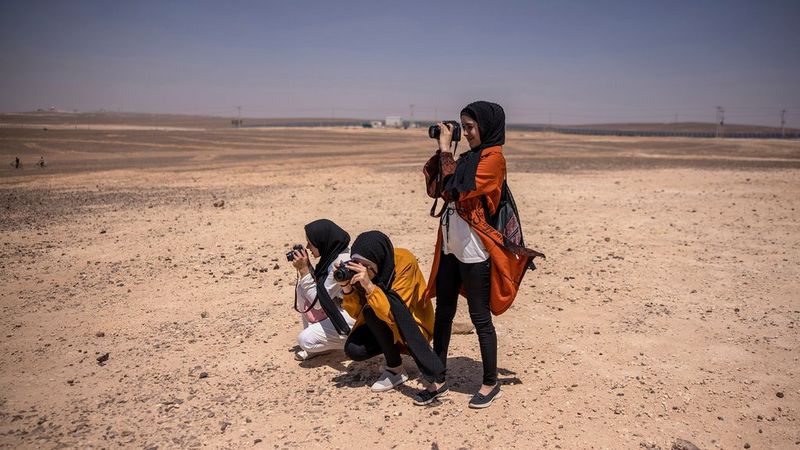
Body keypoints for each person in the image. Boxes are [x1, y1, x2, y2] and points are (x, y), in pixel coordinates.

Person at [424, 101, 534, 409]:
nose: (468, 133)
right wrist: (444, 150)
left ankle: (489, 381)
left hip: (474, 247)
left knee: (479, 316)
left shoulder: (494, 159)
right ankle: (438, 375)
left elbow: (459, 190)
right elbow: (437, 189)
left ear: (487, 127)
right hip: (450, 243)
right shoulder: (469, 156)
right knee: (444, 311)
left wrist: (447, 151)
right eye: (464, 127)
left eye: (471, 127)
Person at [338, 231, 446, 399]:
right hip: (383, 322)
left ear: (378, 262)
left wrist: (370, 287)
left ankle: (395, 369)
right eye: (356, 263)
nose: (361, 270)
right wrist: (347, 288)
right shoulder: (363, 271)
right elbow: (356, 313)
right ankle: (390, 351)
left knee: (372, 311)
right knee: (354, 350)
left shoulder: (404, 262)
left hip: (410, 326)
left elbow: (395, 313)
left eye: (366, 266)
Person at [290, 219, 356, 361]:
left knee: (305, 340)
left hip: (354, 315)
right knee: (303, 287)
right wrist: (307, 267)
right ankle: (321, 340)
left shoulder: (340, 263)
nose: (308, 247)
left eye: (311, 243)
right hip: (342, 305)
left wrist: (303, 270)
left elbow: (319, 302)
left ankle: (353, 341)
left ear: (322, 242)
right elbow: (322, 287)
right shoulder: (334, 254)